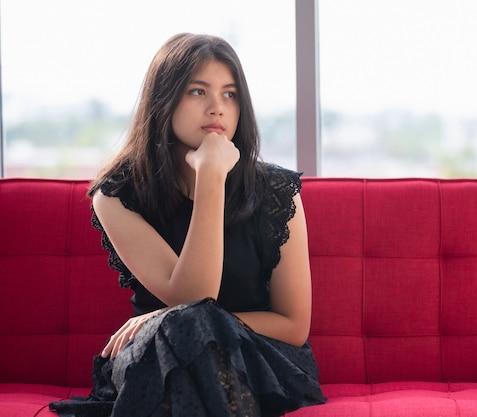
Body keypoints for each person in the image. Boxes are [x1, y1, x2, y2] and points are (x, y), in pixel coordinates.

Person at [49, 33, 325, 417]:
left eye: (230, 94)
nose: (217, 108)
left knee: (187, 327)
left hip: (258, 359)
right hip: (159, 357)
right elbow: (194, 294)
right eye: (198, 92)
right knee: (184, 332)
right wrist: (211, 176)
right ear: (165, 100)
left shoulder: (276, 191)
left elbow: (293, 326)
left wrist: (170, 317)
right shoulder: (116, 196)